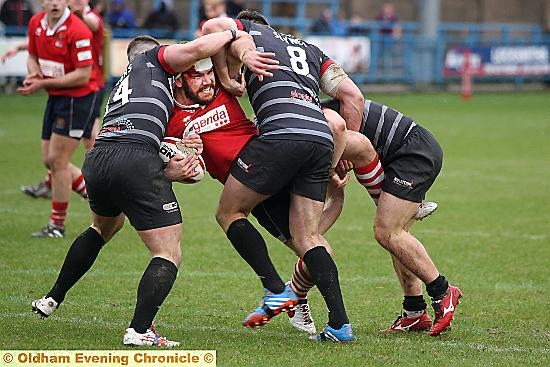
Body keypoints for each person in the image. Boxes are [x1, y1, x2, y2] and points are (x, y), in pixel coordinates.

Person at [30, 30, 279, 346]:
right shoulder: (155, 60)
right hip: (133, 158)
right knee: (168, 251)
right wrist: (233, 33)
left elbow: (146, 138)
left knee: (102, 227)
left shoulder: (125, 84)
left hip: (99, 159)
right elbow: (200, 46)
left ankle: (52, 298)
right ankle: (139, 330)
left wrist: (172, 159)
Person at [202, 9, 365, 342]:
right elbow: (354, 97)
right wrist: (341, 161)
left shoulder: (248, 32)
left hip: (281, 134)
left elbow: (211, 26)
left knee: (229, 212)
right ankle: (339, 324)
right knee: (308, 238)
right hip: (321, 138)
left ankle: (275, 289)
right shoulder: (310, 50)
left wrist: (226, 76)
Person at [320, 98, 462, 336]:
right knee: (397, 233)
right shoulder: (313, 111)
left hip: (412, 151)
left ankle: (443, 291)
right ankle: (414, 312)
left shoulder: (319, 113)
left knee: (387, 231)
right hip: (405, 153)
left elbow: (353, 99)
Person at [18, 0, 101, 238]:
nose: (54, 2)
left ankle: (57, 225)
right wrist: (34, 73)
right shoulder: (35, 23)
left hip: (78, 99)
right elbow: (33, 55)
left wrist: (42, 83)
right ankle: (95, 193)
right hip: (56, 97)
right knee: (50, 160)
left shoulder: (78, 29)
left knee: (59, 161)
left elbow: (83, 75)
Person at [375, 2, 401, 73]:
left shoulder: (394, 18)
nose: (387, 10)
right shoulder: (379, 17)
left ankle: (390, 72)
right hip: (381, 40)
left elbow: (397, 28)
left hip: (391, 40)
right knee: (381, 56)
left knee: (390, 56)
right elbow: (376, 27)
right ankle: (381, 71)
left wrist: (396, 36)